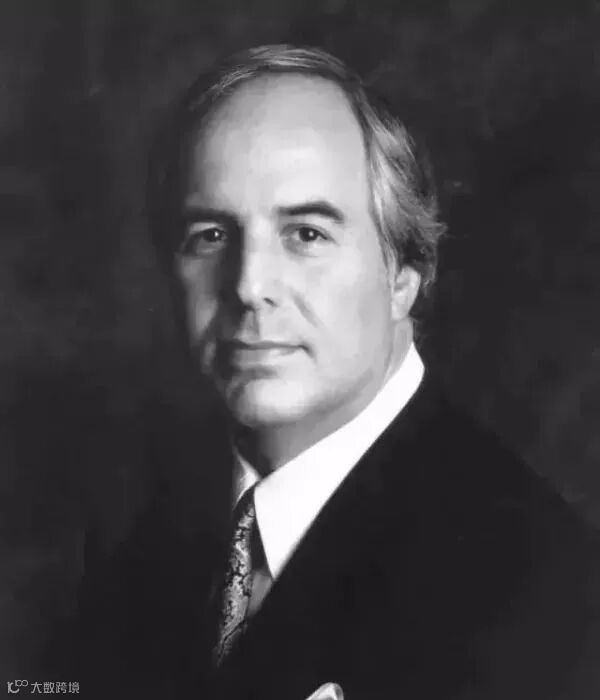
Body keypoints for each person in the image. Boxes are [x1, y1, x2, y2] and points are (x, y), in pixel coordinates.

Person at [76, 45, 598, 700]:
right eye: (211, 235)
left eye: (306, 234)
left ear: (405, 274)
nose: (249, 285)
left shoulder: (538, 582)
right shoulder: (138, 527)